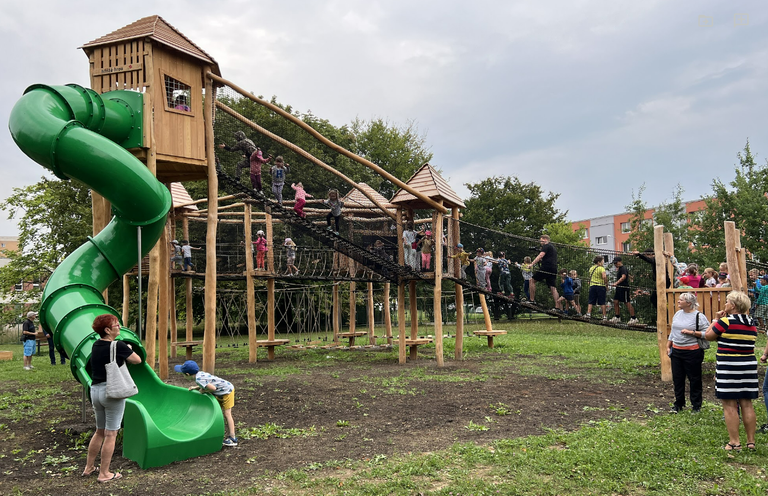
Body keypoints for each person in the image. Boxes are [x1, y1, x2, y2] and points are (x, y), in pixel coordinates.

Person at [82, 314, 142, 482]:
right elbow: (137, 360)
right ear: (108, 330)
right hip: (112, 392)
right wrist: (128, 348)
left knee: (99, 431)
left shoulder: (96, 345)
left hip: (95, 391)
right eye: (116, 325)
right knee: (111, 434)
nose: (119, 327)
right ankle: (104, 473)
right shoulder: (119, 345)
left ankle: (89, 467)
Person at [704, 291, 759, 452]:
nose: (725, 304)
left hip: (728, 367)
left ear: (733, 306)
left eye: (727, 302)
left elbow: (708, 336)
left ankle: (734, 442)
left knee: (729, 405)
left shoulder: (725, 322)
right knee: (747, 403)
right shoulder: (751, 322)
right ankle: (751, 442)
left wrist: (716, 320)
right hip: (748, 367)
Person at [175, 360, 238, 447]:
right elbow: (206, 383)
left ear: (188, 374)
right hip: (223, 390)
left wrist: (204, 390)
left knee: (227, 414)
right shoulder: (200, 374)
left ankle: (232, 438)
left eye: (183, 374)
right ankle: (215, 431)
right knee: (216, 411)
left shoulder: (198, 379)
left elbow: (213, 388)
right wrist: (196, 388)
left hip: (227, 391)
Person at [667, 292, 709, 413]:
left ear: (689, 303)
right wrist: (668, 345)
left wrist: (692, 333)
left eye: (681, 300)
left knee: (694, 379)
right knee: (678, 379)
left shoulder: (699, 316)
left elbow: (707, 333)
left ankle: (696, 405)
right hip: (676, 351)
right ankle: (678, 404)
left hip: (693, 352)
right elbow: (673, 332)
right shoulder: (677, 314)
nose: (678, 301)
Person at [529, 235, 560, 311]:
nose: (540, 242)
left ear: (545, 239)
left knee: (532, 280)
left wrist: (532, 264)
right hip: (554, 268)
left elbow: (541, 255)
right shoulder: (553, 248)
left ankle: (532, 300)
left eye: (541, 240)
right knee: (553, 287)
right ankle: (557, 307)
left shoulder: (546, 246)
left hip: (546, 267)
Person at [610, 256, 638, 325]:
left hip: (624, 288)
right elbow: (627, 275)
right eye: (614, 263)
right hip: (619, 288)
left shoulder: (623, 268)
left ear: (620, 262)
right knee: (615, 301)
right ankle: (617, 316)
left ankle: (634, 318)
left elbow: (623, 277)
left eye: (616, 263)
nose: (615, 264)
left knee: (626, 302)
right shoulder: (620, 269)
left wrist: (616, 283)